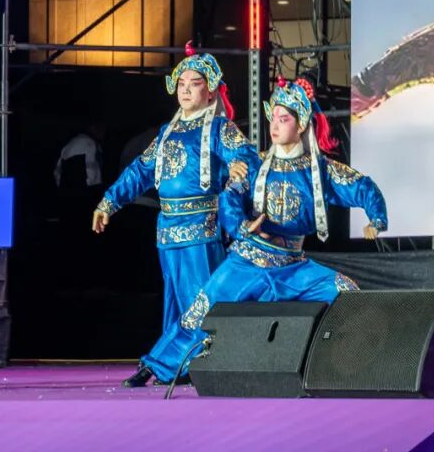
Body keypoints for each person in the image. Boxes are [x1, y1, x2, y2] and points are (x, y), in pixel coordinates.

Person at [140, 77, 388, 384]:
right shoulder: (256, 165)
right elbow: (229, 197)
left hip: (293, 267)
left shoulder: (320, 171)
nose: (275, 126)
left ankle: (344, 365)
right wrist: (241, 226)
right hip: (247, 262)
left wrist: (376, 219)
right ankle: (158, 366)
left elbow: (363, 187)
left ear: (301, 125)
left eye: (284, 119)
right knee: (200, 311)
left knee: (346, 291)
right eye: (273, 118)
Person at [91, 42, 261, 387]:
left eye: (194, 84)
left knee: (201, 300)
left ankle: (168, 362)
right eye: (181, 84)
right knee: (176, 303)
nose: (185, 90)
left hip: (201, 227)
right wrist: (108, 202)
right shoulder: (167, 132)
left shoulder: (219, 129)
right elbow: (140, 170)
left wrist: (239, 168)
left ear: (210, 91)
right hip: (167, 228)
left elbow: (247, 157)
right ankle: (180, 368)